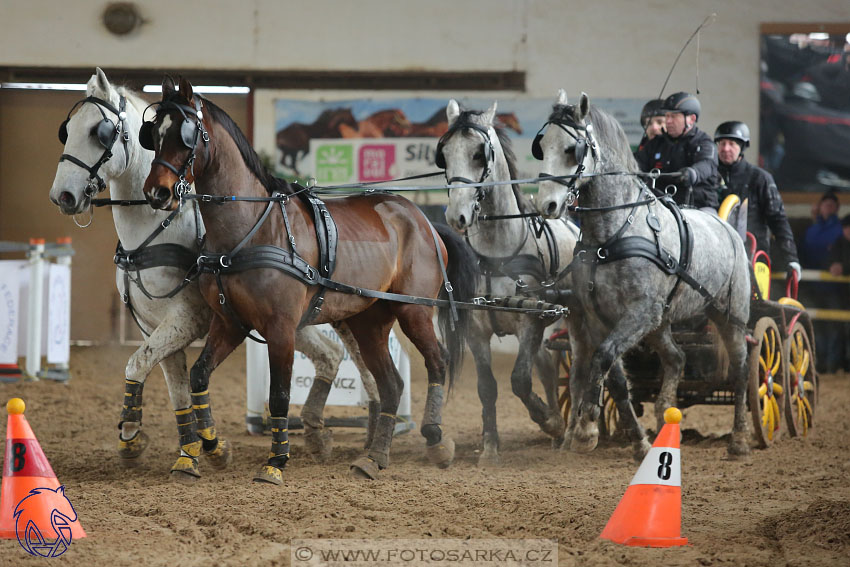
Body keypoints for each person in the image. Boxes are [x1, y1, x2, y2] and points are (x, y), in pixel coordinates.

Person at [714, 120, 801, 281]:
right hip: (716, 258)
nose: (726, 148)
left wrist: (791, 259)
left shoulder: (760, 178)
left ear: (742, 147)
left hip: (753, 258)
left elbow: (778, 220)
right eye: (722, 143)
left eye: (732, 143)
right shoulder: (708, 176)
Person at [634, 91, 720, 209]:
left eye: (673, 116)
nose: (668, 121)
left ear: (691, 119)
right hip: (661, 207)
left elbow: (707, 164)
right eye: (667, 116)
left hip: (699, 208)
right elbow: (636, 163)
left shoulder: (704, 143)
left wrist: (693, 173)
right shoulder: (655, 143)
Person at [801, 191, 844, 373]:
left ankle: (832, 365)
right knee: (815, 326)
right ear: (820, 206)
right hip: (812, 283)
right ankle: (818, 362)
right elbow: (803, 252)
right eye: (825, 204)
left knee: (835, 326)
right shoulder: (812, 229)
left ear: (837, 208)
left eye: (831, 205)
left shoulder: (841, 230)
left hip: (835, 286)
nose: (828, 208)